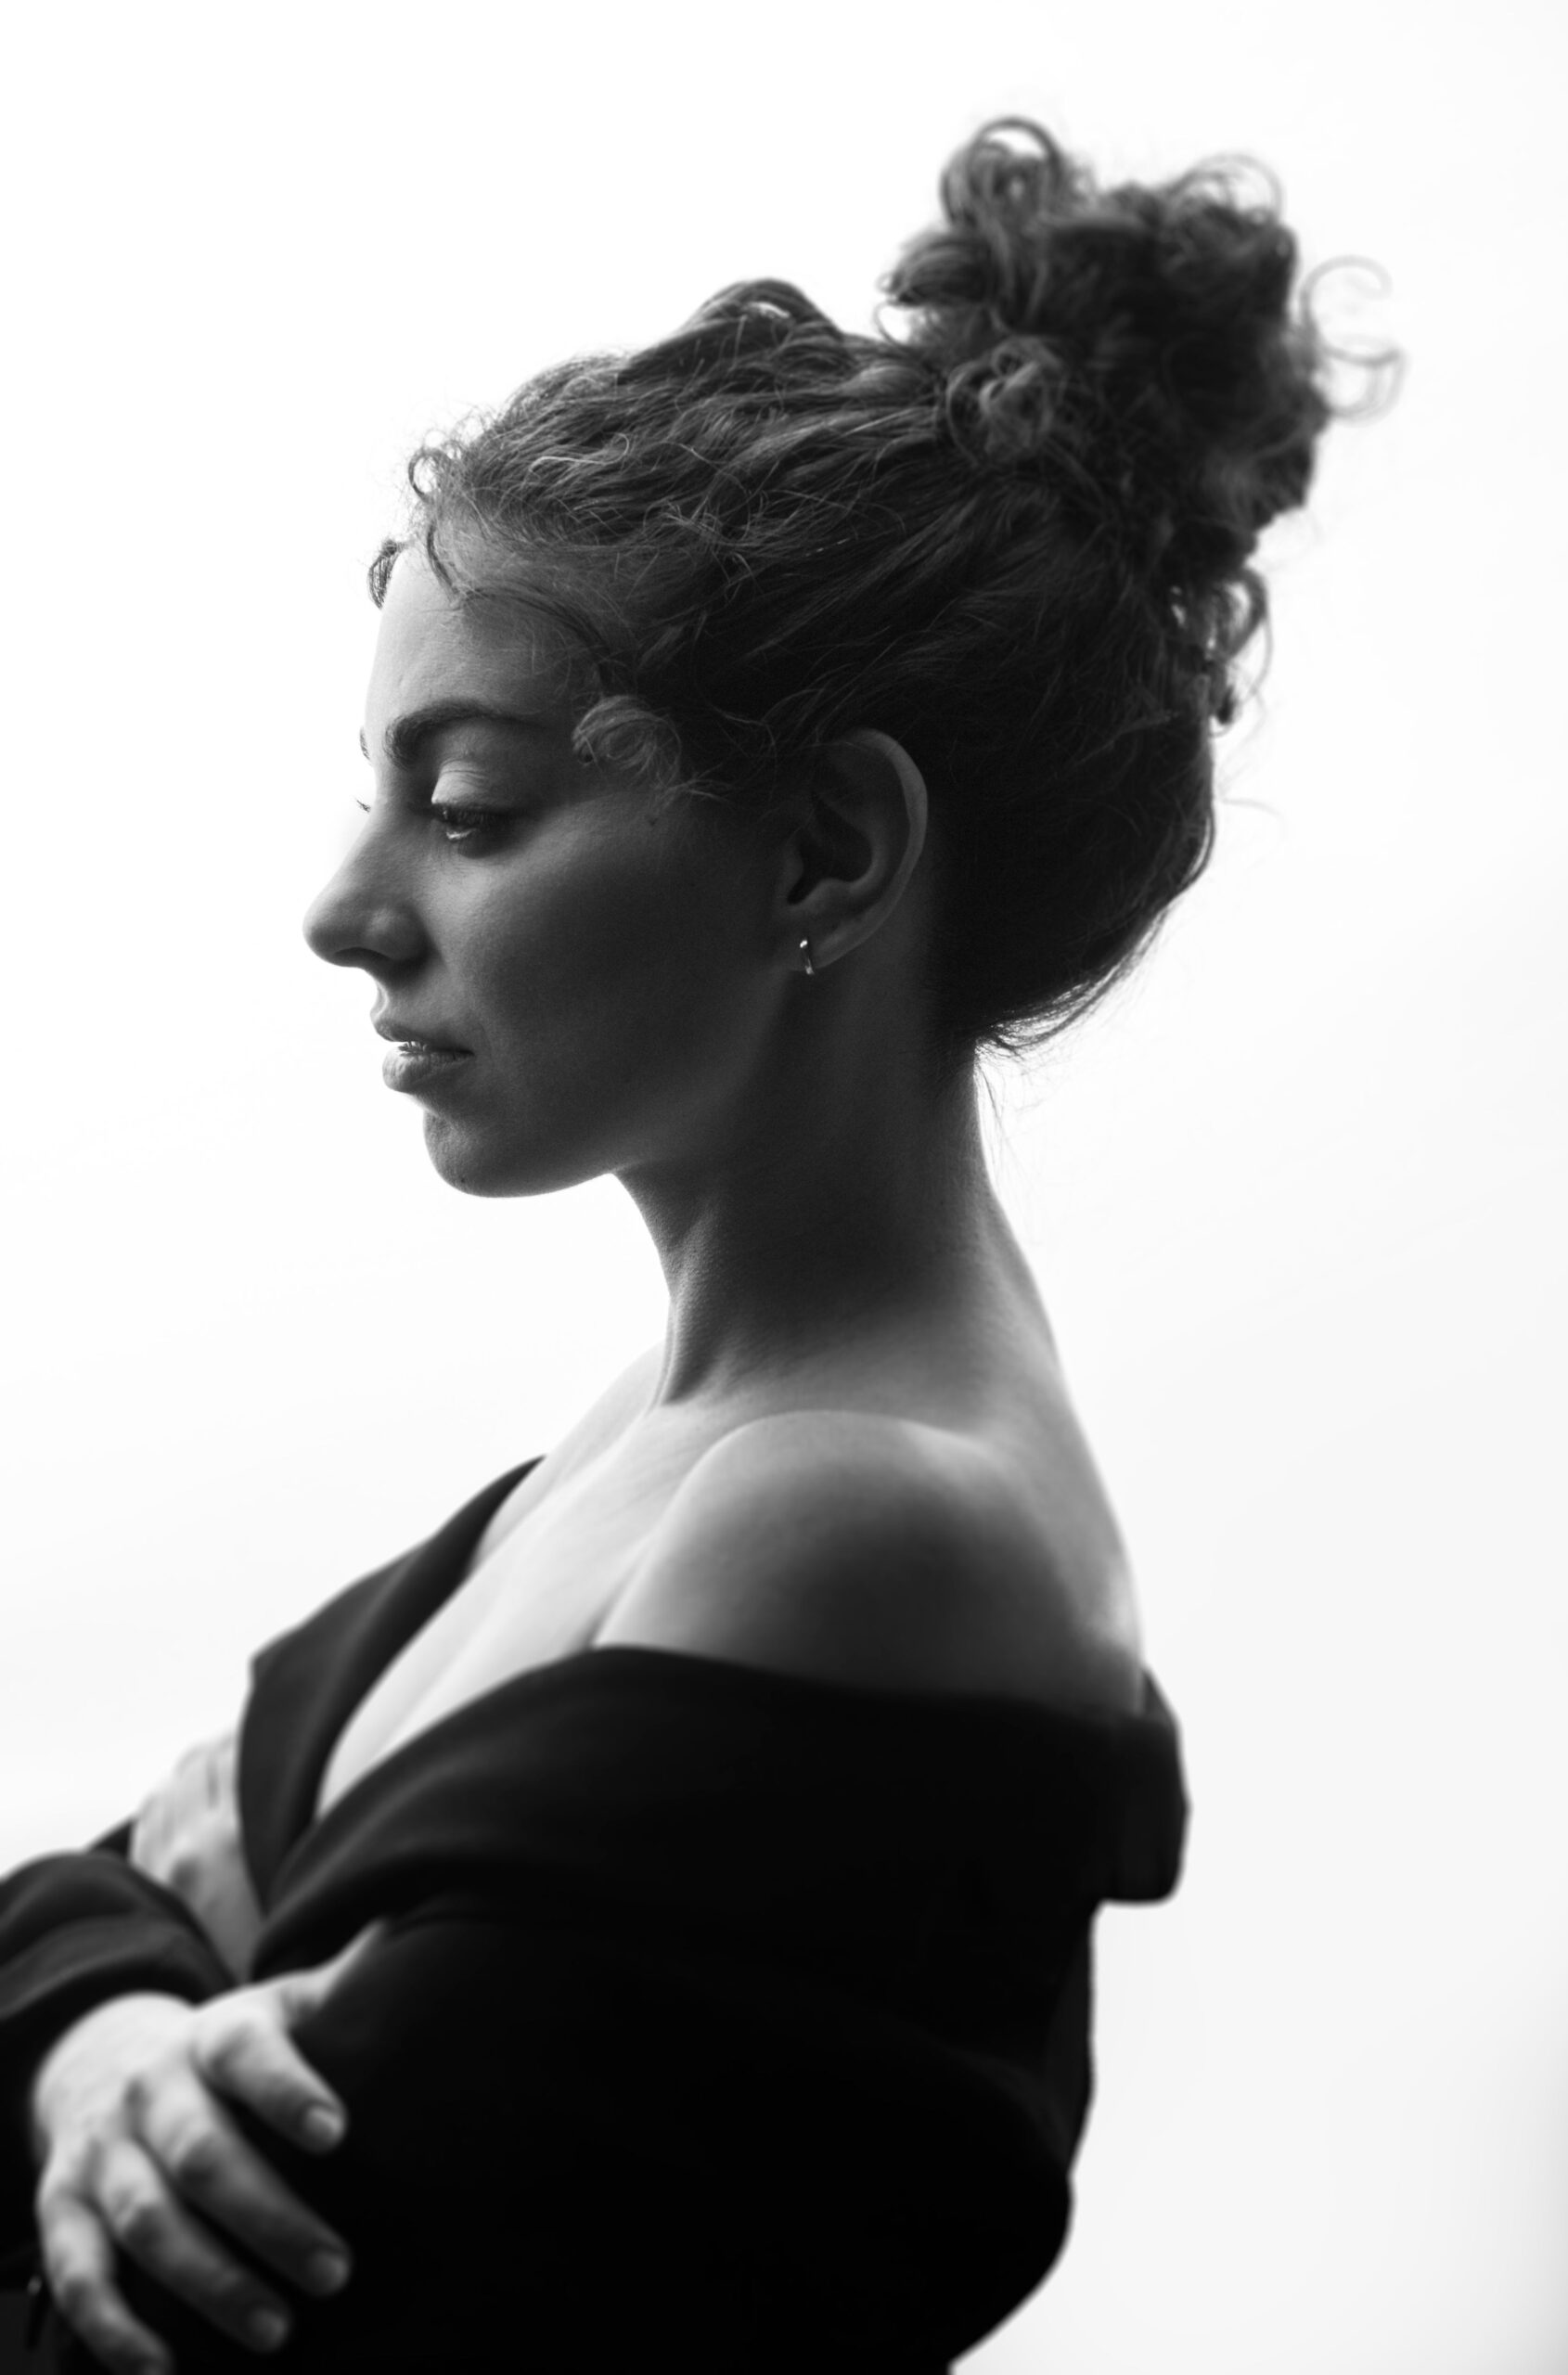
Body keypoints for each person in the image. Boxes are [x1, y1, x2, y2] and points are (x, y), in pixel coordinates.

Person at [0, 115, 1369, 2371]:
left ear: (824, 849)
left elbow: (212, 2298)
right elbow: (90, 1917)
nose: (344, 908)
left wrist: (102, 2010)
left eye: (469, 807)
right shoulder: (665, 1434)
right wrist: (99, 2040)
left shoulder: (861, 1518)